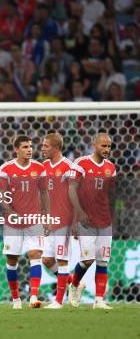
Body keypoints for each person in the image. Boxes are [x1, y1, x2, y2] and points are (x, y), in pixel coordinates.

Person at [0, 135, 49, 309]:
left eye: (30, 147)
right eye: (25, 147)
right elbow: (1, 195)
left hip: (34, 221)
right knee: (12, 261)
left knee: (35, 255)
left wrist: (47, 216)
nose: (29, 150)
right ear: (16, 149)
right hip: (12, 223)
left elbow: (44, 194)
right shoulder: (6, 169)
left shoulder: (39, 168)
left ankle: (34, 296)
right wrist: (11, 212)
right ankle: (16, 299)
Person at [68, 133, 116, 310]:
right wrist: (77, 214)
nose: (106, 149)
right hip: (86, 220)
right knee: (87, 260)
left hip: (104, 221)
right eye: (103, 146)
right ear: (94, 145)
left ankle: (99, 300)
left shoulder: (111, 167)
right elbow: (71, 189)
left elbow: (111, 195)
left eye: (109, 146)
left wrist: (113, 220)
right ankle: (74, 285)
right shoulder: (81, 163)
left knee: (103, 261)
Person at [40, 133, 83, 309]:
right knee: (47, 260)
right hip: (51, 221)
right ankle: (75, 283)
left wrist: (75, 223)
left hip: (65, 221)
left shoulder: (68, 167)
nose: (42, 148)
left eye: (46, 146)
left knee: (62, 259)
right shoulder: (43, 167)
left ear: (56, 148)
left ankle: (58, 301)